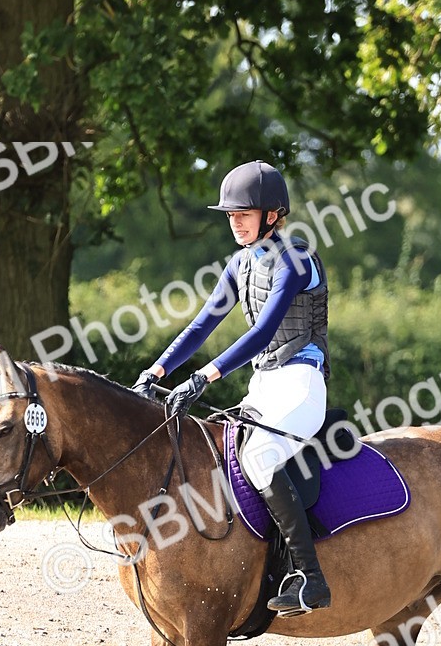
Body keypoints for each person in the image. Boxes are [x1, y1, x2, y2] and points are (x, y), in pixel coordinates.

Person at [132, 159, 331, 616]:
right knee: (217, 453)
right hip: (265, 385)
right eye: (230, 215)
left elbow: (262, 332)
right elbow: (202, 326)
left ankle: (311, 579)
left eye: (243, 213)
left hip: (301, 383)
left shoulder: (296, 259)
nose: (234, 222)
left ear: (273, 215)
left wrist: (204, 377)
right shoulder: (240, 264)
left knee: (259, 459)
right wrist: (157, 372)